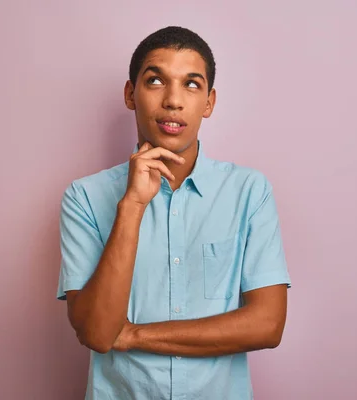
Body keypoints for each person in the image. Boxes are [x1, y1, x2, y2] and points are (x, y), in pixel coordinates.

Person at [56, 26, 291, 400]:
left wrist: (133, 335)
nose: (173, 101)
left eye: (191, 85)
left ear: (209, 102)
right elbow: (98, 334)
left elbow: (267, 325)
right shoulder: (84, 197)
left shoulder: (249, 191)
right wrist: (132, 205)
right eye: (155, 81)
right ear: (131, 94)